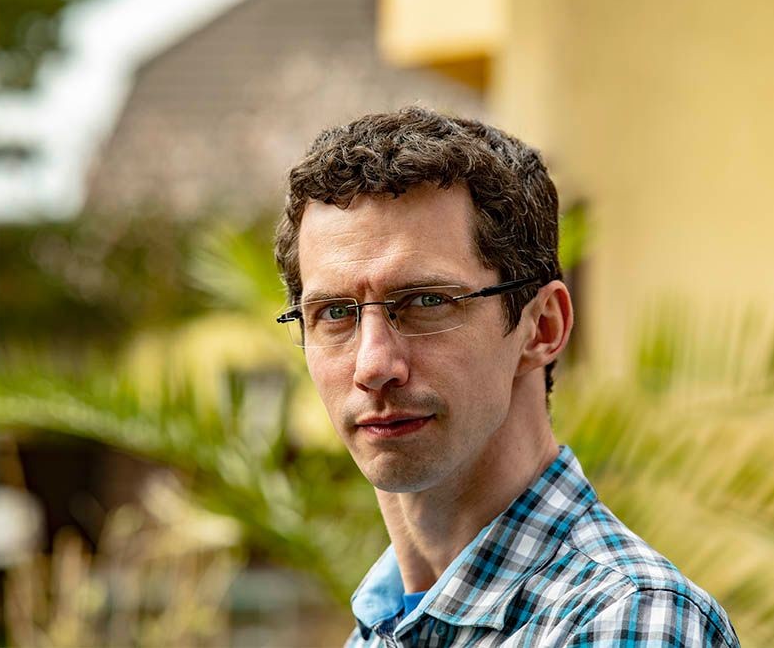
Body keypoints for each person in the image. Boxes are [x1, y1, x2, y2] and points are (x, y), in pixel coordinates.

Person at [274, 107, 739, 647]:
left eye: (426, 301)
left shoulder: (630, 619)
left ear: (542, 327)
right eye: (334, 313)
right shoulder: (378, 633)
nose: (373, 365)